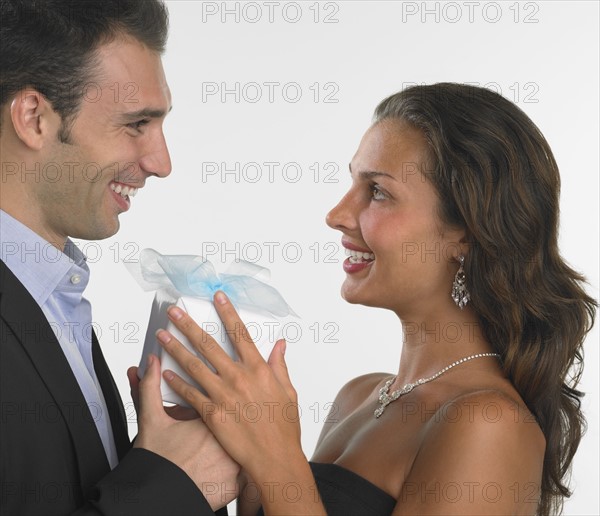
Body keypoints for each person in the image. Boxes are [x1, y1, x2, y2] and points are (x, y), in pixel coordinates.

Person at [153, 83, 597, 515]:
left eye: (378, 192)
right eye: (352, 184)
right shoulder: (359, 395)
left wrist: (278, 462)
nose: (337, 215)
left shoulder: (490, 425)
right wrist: (235, 445)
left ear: (465, 232)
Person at [0, 1, 238, 514]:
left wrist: (151, 456)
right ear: (35, 118)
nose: (162, 162)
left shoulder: (52, 296)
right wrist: (173, 486)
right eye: (136, 124)